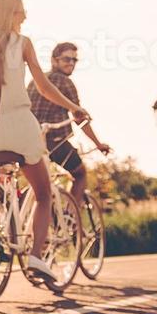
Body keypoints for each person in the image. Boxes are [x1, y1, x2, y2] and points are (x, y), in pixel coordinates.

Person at [0, 0, 89, 279]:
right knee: (44, 193)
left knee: (9, 178)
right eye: (20, 13)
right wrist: (74, 108)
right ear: (10, 14)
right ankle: (35, 256)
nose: (24, 18)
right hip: (21, 127)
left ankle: (5, 227)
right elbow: (44, 86)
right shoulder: (22, 43)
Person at [28, 42, 111, 213]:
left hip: (29, 138)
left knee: (36, 183)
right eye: (67, 59)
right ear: (54, 60)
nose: (71, 63)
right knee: (80, 173)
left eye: (75, 60)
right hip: (54, 141)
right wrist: (98, 144)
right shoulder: (65, 82)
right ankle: (70, 217)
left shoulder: (36, 80)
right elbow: (79, 118)